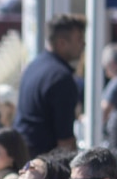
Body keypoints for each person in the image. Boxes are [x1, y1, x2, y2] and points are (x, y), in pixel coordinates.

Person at [14, 14, 85, 157]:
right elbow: (65, 141)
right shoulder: (61, 78)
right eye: (79, 39)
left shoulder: (34, 66)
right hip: (43, 163)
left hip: (22, 154)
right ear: (61, 43)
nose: (83, 44)